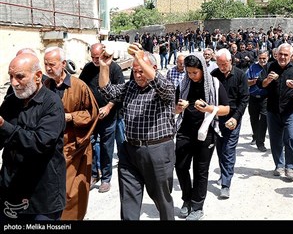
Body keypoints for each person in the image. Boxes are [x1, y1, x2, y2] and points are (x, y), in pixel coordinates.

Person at [98, 43, 176, 220]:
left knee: (162, 199)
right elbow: (107, 91)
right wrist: (104, 67)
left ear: (153, 68)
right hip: (130, 151)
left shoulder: (165, 88)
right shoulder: (130, 87)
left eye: (141, 71)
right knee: (129, 201)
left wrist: (140, 58)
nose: (138, 75)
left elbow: (161, 85)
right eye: (135, 71)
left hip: (157, 151)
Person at [0, 53, 66, 221]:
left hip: (42, 197)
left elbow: (40, 143)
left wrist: (3, 125)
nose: (14, 83)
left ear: (37, 76)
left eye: (20, 77)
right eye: (11, 76)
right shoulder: (10, 102)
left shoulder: (52, 103)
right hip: (11, 192)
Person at [43, 47, 99, 220]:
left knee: (71, 193)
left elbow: (92, 113)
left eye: (52, 64)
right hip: (51, 148)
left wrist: (70, 117)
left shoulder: (78, 86)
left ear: (63, 64)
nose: (48, 68)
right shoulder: (45, 86)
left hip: (74, 148)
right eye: (45, 64)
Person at [175, 53, 229, 220]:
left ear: (203, 70)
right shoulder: (183, 84)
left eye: (195, 73)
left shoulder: (214, 84)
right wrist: (179, 108)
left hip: (206, 132)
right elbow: (173, 109)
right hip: (185, 131)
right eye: (189, 72)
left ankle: (197, 206)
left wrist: (208, 109)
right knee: (181, 166)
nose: (191, 76)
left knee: (201, 170)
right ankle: (187, 200)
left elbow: (226, 109)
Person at [257, 43, 293, 180]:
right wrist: (268, 80)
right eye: (280, 54)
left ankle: (290, 166)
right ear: (276, 54)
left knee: (292, 137)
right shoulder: (270, 66)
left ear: (292, 56)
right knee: (275, 140)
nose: (283, 57)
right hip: (273, 110)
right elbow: (260, 83)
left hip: (291, 110)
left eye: (286, 55)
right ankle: (279, 165)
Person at [79, 43, 125, 193]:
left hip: (109, 116)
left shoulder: (115, 68)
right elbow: (81, 87)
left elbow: (121, 92)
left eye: (97, 57)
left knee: (106, 147)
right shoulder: (88, 68)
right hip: (92, 116)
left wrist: (109, 106)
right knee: (90, 145)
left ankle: (106, 178)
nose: (95, 60)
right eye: (92, 57)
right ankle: (93, 174)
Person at [211, 48, 249, 199]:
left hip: (233, 118)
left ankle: (226, 184)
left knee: (228, 149)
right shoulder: (214, 75)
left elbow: (244, 99)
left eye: (224, 64)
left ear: (230, 61)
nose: (221, 67)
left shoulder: (240, 75)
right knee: (220, 149)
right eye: (219, 64)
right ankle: (223, 174)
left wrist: (236, 118)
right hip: (217, 117)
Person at [246, 50, 269, 152]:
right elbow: (246, 82)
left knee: (264, 120)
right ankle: (255, 135)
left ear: (268, 58)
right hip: (253, 97)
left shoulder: (270, 67)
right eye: (260, 58)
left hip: (265, 98)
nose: (262, 60)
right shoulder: (252, 67)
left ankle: (261, 142)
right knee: (254, 119)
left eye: (264, 58)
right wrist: (255, 81)